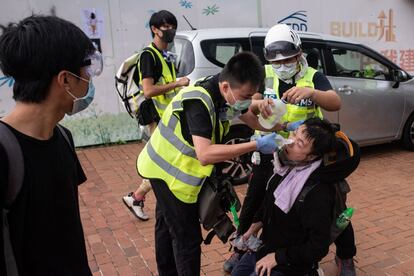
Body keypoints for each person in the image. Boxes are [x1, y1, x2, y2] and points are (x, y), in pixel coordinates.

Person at [136, 52, 286, 275]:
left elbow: (251, 118)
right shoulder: (199, 100)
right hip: (168, 174)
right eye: (245, 96)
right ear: (226, 86)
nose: (246, 101)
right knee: (186, 238)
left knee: (167, 228)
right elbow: (205, 154)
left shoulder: (226, 96)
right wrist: (255, 145)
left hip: (172, 170)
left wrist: (284, 126)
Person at [224, 23, 356, 276]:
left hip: (307, 153)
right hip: (273, 149)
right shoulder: (264, 74)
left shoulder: (312, 76)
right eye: (277, 61)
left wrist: (313, 93)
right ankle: (243, 247)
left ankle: (346, 255)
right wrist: (258, 104)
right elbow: (247, 109)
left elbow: (335, 102)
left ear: (299, 55)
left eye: (288, 60)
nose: (282, 65)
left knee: (331, 206)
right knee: (256, 201)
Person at [0, 15, 102, 275]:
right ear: (65, 79)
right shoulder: (3, 152)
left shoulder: (63, 137)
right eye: (87, 70)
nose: (90, 79)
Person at [231, 117, 360, 276]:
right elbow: (269, 204)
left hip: (290, 263)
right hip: (266, 249)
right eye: (293, 134)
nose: (290, 141)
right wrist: (251, 230)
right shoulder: (284, 168)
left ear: (312, 157)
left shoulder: (317, 193)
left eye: (299, 143)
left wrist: (278, 258)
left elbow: (317, 247)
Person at [122, 10, 190, 221]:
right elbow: (149, 90)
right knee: (162, 164)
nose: (170, 31)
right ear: (154, 29)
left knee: (164, 162)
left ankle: (137, 197)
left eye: (173, 27)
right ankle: (139, 197)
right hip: (158, 120)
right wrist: (177, 83)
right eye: (166, 27)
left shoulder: (165, 55)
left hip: (169, 118)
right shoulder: (148, 56)